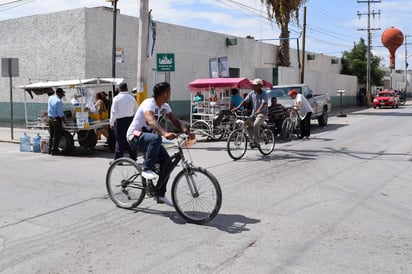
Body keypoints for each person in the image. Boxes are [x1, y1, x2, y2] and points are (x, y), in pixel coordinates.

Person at [127, 82, 189, 207]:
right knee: (156, 138)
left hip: (148, 139)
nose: (170, 94)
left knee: (166, 162)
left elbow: (174, 120)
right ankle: (146, 169)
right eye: (170, 92)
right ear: (166, 93)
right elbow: (151, 120)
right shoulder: (148, 103)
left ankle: (160, 194)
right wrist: (164, 133)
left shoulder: (164, 106)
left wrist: (186, 130)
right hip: (135, 136)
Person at [232, 78, 268, 148]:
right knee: (247, 124)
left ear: (260, 86)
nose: (254, 87)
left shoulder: (264, 94)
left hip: (262, 113)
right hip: (254, 113)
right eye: (253, 85)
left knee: (255, 125)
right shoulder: (252, 93)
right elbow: (245, 101)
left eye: (255, 85)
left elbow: (264, 103)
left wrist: (259, 110)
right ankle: (252, 142)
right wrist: (238, 108)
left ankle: (257, 142)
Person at [110, 83, 138, 160]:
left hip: (120, 122)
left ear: (119, 89)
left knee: (120, 141)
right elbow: (136, 110)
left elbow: (113, 112)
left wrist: (111, 123)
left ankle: (118, 159)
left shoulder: (116, 98)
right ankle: (133, 157)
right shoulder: (132, 98)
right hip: (130, 120)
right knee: (130, 139)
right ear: (127, 88)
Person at [47, 88, 67, 155]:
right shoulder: (58, 101)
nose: (63, 95)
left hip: (50, 118)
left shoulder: (50, 98)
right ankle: (54, 150)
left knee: (51, 135)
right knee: (56, 136)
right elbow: (60, 114)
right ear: (59, 93)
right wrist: (65, 121)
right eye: (62, 94)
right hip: (56, 120)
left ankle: (50, 150)